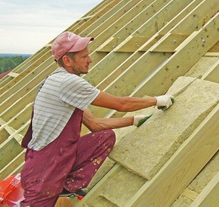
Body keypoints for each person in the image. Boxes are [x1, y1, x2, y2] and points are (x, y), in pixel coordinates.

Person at [20, 31, 174, 206]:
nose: (90, 60)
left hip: (57, 159)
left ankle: (65, 186)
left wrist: (133, 120)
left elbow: (95, 124)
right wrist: (156, 100)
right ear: (67, 61)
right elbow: (120, 104)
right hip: (43, 171)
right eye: (84, 56)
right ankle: (58, 185)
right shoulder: (67, 82)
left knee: (104, 138)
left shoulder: (58, 83)